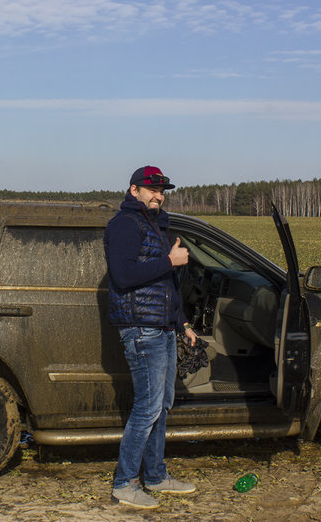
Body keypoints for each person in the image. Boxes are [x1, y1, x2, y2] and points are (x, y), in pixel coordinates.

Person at [103, 165, 199, 509]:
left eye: (162, 190)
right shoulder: (126, 225)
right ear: (134, 191)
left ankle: (155, 476)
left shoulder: (154, 225)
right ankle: (124, 484)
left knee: (161, 405)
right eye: (151, 189)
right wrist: (170, 261)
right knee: (146, 408)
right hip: (142, 328)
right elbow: (124, 275)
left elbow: (165, 288)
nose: (158, 195)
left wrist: (182, 324)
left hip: (162, 326)